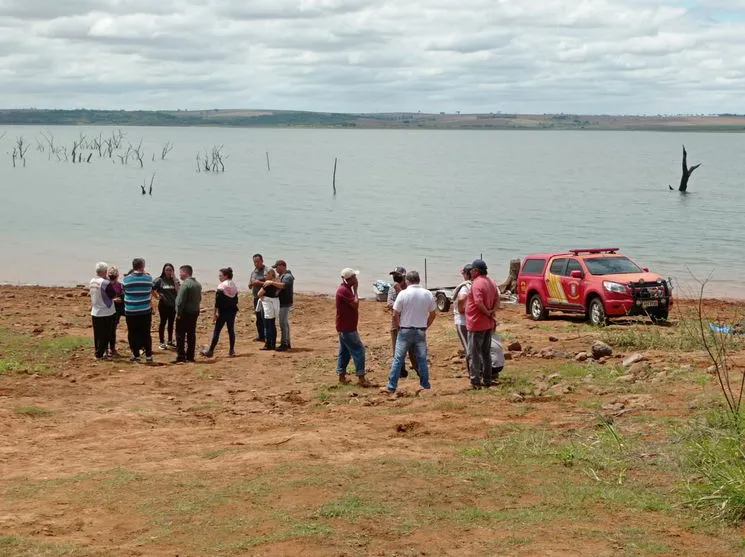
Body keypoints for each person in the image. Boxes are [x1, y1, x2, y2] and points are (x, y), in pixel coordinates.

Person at [383, 270, 436, 395]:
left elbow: (395, 314)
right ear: (419, 280)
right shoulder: (427, 293)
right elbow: (433, 314)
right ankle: (425, 384)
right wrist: (426, 326)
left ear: (407, 281)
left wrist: (398, 327)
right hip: (420, 330)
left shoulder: (403, 294)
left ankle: (391, 386)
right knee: (422, 359)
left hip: (405, 330)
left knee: (398, 359)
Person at [336, 268, 373, 387]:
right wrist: (356, 291)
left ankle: (341, 376)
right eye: (355, 277)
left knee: (345, 351)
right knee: (359, 350)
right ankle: (361, 378)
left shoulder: (345, 289)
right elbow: (355, 305)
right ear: (350, 279)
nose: (357, 279)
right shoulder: (345, 291)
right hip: (347, 327)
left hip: (344, 326)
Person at [466, 259, 499, 389]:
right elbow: (497, 300)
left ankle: (475, 380)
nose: (471, 272)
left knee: (474, 354)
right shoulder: (491, 282)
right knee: (486, 353)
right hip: (487, 323)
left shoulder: (477, 283)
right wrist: (492, 312)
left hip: (476, 323)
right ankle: (487, 378)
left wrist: (487, 312)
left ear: (476, 271)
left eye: (472, 270)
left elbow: (479, 303)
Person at [387, 266, 419, 378]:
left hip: (410, 323)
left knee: (412, 349)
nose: (395, 277)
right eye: (394, 275)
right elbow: (390, 304)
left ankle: (419, 370)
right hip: (396, 322)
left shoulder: (410, 288)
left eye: (398, 275)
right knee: (397, 348)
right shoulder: (392, 288)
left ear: (404, 277)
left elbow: (411, 303)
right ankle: (401, 371)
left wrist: (400, 293)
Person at [122, 257, 155, 363]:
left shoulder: (126, 279)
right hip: (145, 310)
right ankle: (149, 355)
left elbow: (124, 291)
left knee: (132, 333)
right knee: (146, 333)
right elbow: (150, 289)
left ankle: (136, 355)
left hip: (131, 310)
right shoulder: (148, 278)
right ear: (143, 266)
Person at [201, 267, 238, 358]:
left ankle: (210, 351)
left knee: (217, 331)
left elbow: (217, 302)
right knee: (231, 330)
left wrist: (215, 313)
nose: (219, 277)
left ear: (226, 276)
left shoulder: (221, 286)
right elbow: (236, 299)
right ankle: (231, 350)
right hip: (232, 311)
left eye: (220, 276)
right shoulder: (233, 285)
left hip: (223, 311)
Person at [173, 265, 202, 363]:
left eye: (180, 272)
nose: (179, 274)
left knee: (180, 335)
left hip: (185, 313)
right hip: (194, 312)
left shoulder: (185, 284)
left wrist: (178, 312)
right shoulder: (197, 284)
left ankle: (181, 356)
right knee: (191, 334)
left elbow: (180, 301)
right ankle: (190, 356)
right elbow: (199, 299)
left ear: (185, 272)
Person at [89, 261, 117, 360]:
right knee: (105, 334)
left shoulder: (92, 281)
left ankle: (98, 352)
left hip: (95, 310)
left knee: (97, 334)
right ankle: (100, 354)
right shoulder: (105, 283)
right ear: (105, 271)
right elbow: (113, 294)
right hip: (106, 311)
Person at [268, 260, 294, 351]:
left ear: (283, 266)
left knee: (283, 323)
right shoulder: (281, 276)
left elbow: (283, 285)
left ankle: (285, 344)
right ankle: (287, 343)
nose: (276, 270)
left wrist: (271, 283)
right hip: (281, 302)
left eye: (277, 267)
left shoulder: (288, 276)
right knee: (284, 323)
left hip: (285, 303)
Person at [152, 263, 180, 350]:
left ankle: (170, 341)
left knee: (171, 323)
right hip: (163, 305)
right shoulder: (159, 280)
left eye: (170, 270)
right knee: (163, 322)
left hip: (173, 305)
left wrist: (174, 278)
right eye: (167, 270)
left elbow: (178, 290)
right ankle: (161, 342)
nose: (168, 272)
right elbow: (151, 289)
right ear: (164, 271)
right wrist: (156, 296)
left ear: (173, 271)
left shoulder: (175, 281)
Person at [452, 264, 473, 374]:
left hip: (462, 321)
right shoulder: (475, 285)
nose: (463, 275)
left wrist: (464, 310)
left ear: (467, 274)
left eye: (464, 273)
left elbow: (461, 300)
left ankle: (473, 373)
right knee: (473, 347)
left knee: (468, 348)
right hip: (474, 321)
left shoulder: (465, 287)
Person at [257, 268, 280, 350]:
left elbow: (259, 293)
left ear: (271, 275)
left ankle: (268, 344)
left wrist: (262, 296)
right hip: (275, 305)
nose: (264, 276)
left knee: (267, 325)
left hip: (268, 306)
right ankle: (273, 344)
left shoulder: (267, 284)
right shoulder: (277, 282)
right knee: (272, 325)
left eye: (266, 274)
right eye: (264, 274)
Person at [107, 265, 125, 358]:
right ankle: (111, 348)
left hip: (120, 308)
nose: (113, 279)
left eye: (114, 277)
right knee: (111, 329)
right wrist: (113, 299)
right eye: (111, 277)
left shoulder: (121, 286)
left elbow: (124, 296)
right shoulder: (106, 285)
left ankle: (112, 348)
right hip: (111, 308)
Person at [249, 254, 266, 342]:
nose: (256, 264)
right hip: (256, 297)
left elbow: (270, 283)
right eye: (254, 262)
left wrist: (258, 282)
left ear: (262, 261)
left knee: (265, 317)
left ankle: (267, 335)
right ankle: (261, 335)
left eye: (257, 261)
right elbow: (250, 285)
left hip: (265, 297)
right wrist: (251, 284)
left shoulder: (266, 271)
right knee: (258, 317)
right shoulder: (253, 272)